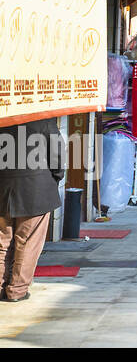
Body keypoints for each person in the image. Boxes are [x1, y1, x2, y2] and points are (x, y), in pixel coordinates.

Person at [0, 119, 65, 302]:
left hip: (3, 188)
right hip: (35, 191)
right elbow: (57, 156)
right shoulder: (43, 119)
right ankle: (17, 290)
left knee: (2, 242)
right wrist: (55, 178)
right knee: (27, 242)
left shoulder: (3, 115)